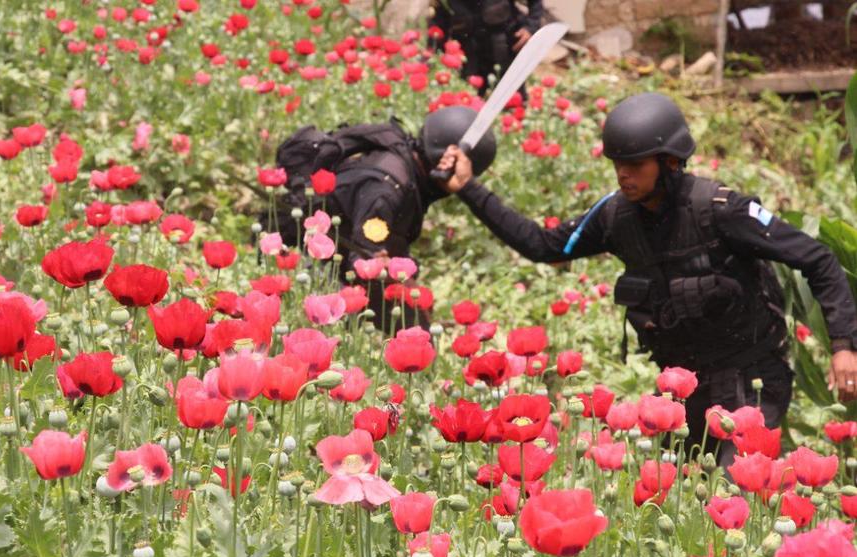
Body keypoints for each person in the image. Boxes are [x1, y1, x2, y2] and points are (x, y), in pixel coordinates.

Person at [435, 92, 857, 464]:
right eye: (618, 164)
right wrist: (471, 188)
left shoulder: (722, 210)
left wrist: (843, 345)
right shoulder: (614, 215)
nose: (623, 175)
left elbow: (817, 258)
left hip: (751, 381)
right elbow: (544, 247)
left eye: (635, 165)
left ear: (670, 161)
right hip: (683, 387)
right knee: (687, 502)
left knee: (734, 488)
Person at [269, 105, 496, 333]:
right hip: (296, 259)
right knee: (416, 332)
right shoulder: (386, 192)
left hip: (337, 242)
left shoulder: (401, 157)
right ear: (443, 167)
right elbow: (364, 262)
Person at [428, 0, 554, 96]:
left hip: (504, 48)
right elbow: (438, 22)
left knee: (512, 101)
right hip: (469, 54)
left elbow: (535, 4)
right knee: (471, 107)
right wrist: (431, 59)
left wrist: (530, 27)